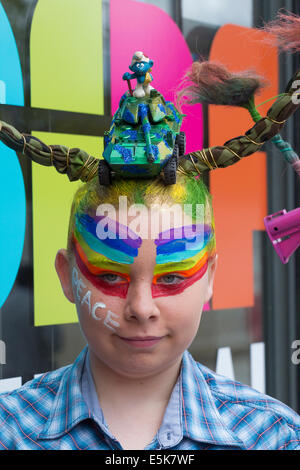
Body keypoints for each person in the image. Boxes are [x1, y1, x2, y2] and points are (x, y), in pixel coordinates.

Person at [0, 48, 299, 450]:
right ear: (66, 275)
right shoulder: (8, 433)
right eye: (109, 275)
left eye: (172, 276)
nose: (141, 308)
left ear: (210, 276)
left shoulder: (274, 437)